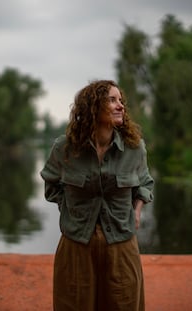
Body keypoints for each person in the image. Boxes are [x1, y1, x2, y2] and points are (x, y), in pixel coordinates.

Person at [40, 79, 154, 311]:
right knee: (74, 304)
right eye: (112, 100)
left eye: (120, 100)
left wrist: (137, 211)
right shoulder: (64, 149)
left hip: (121, 244)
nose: (120, 105)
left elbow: (144, 184)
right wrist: (71, 208)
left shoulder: (135, 148)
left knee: (124, 303)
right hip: (76, 246)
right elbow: (51, 185)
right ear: (92, 107)